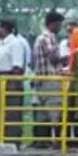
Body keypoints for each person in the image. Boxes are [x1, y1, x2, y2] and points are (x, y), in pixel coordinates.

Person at [32, 11, 65, 147]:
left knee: (42, 113)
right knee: (55, 111)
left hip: (40, 79)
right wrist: (68, 58)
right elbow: (52, 57)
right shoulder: (48, 37)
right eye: (59, 24)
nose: (60, 27)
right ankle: (58, 142)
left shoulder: (39, 38)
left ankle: (42, 142)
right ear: (53, 23)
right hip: (50, 79)